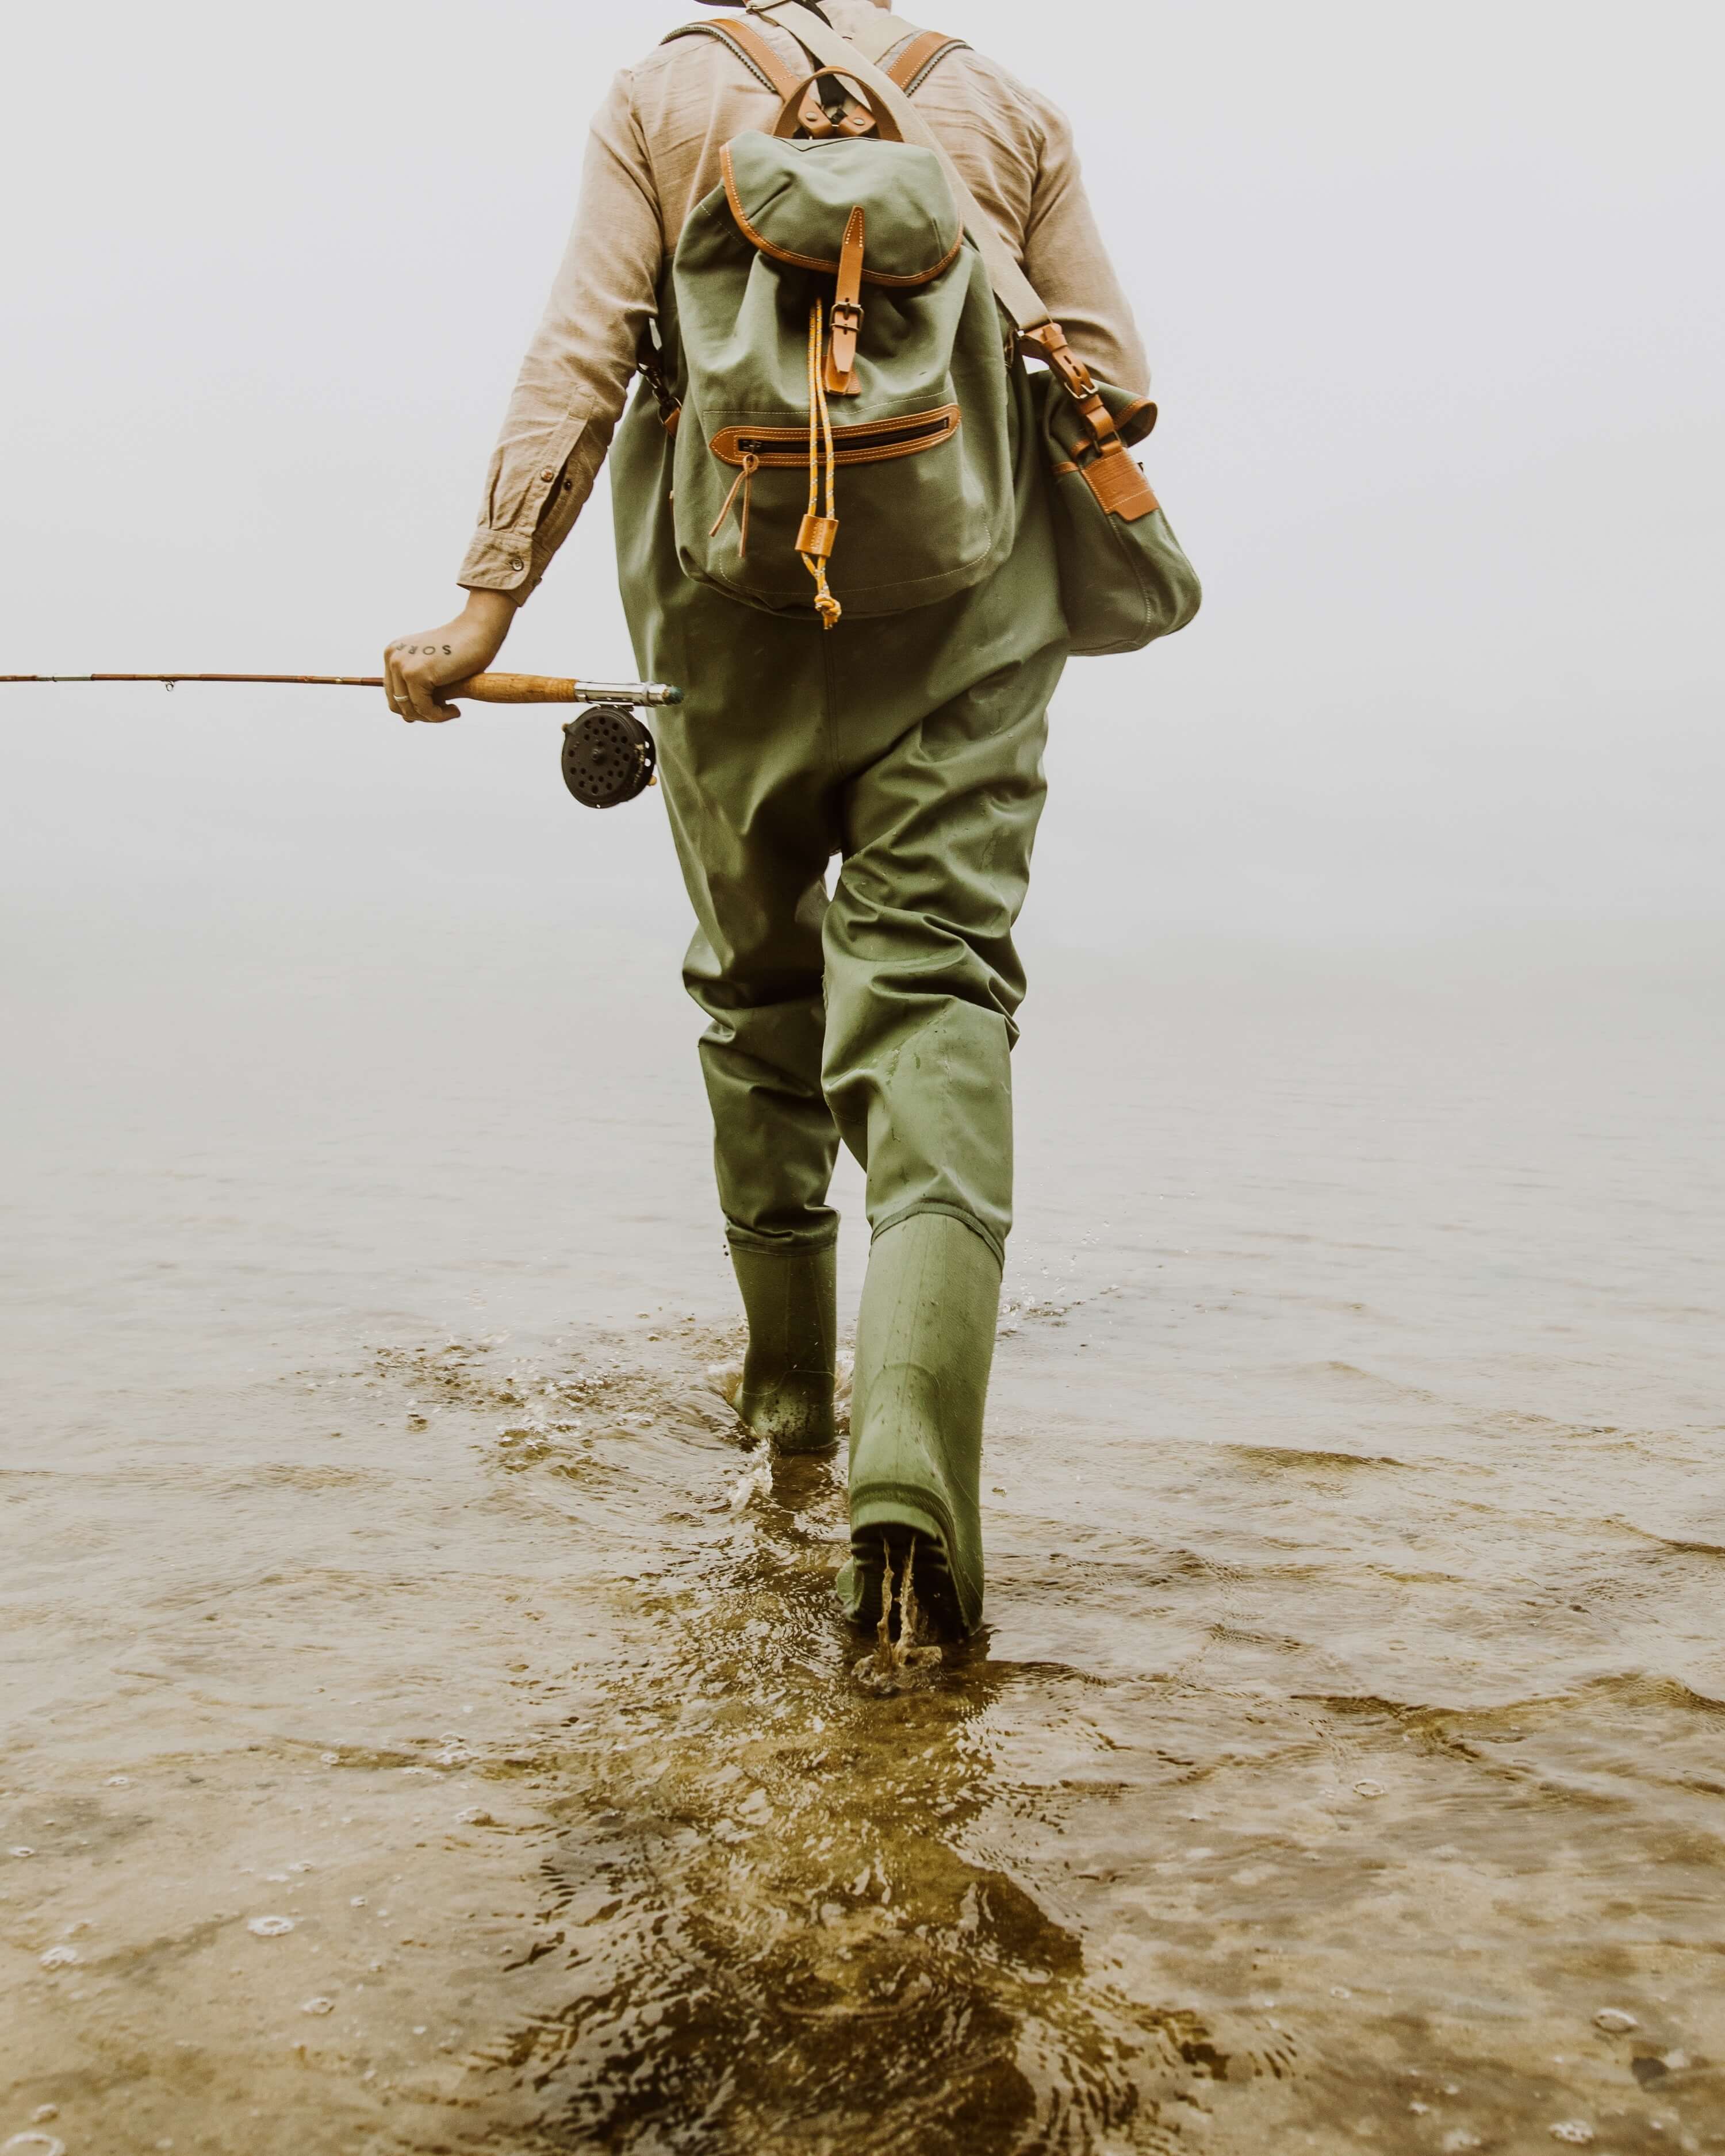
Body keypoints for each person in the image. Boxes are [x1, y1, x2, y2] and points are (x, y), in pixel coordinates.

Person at [382, 0, 1148, 1640]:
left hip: (719, 626)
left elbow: (583, 359)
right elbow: (1119, 381)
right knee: (935, 991)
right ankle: (911, 1474)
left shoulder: (663, 96)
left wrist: (481, 607)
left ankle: (787, 1404)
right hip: (968, 626)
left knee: (754, 993)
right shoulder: (1003, 107)